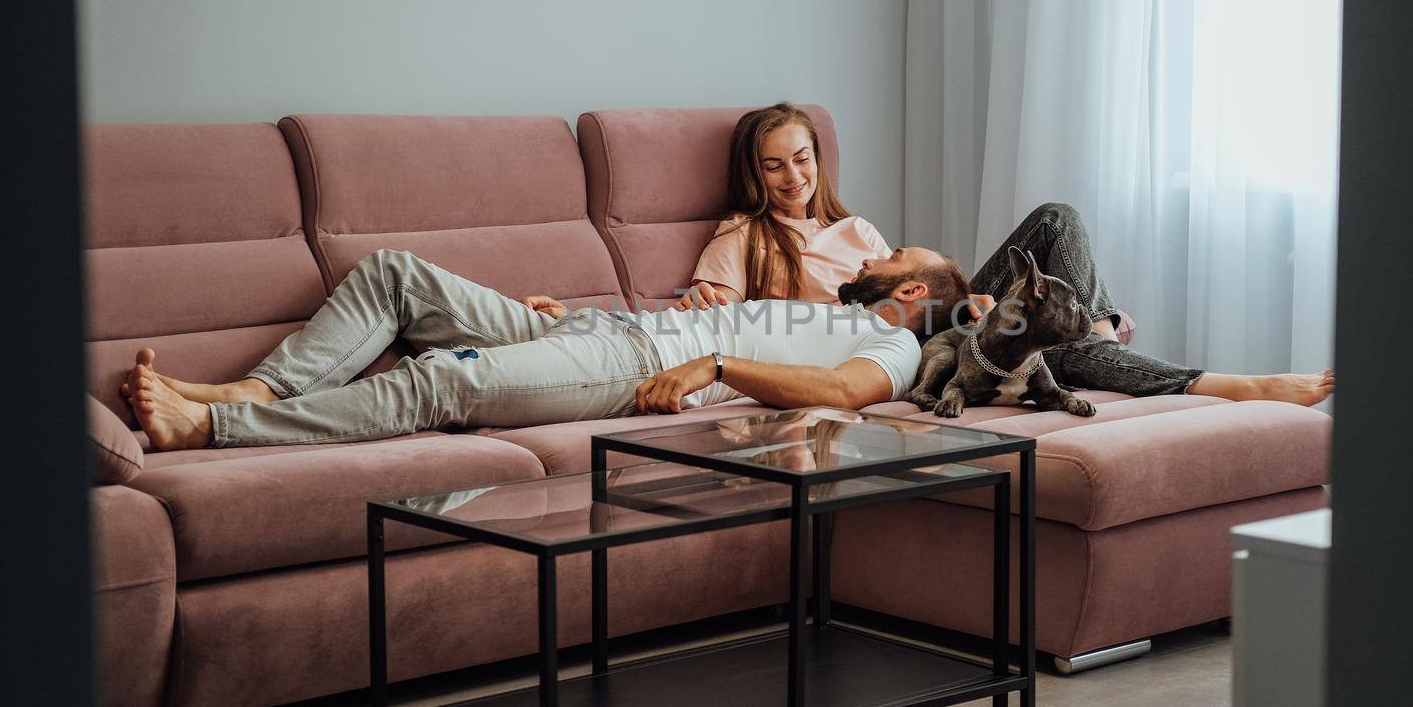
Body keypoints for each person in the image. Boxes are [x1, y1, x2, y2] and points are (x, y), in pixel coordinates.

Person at [676, 102, 1333, 407]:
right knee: (1042, 341)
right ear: (753, 174)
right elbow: (722, 316)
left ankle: (1092, 322)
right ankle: (1233, 383)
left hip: (932, 314)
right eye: (774, 167)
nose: (794, 177)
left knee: (1055, 220)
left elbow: (919, 289)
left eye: (803, 158)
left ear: (819, 158)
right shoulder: (742, 237)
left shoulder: (856, 232)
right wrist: (703, 297)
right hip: (881, 346)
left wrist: (969, 303)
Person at [122, 246, 969, 452]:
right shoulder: (814, 303)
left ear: (912, 293)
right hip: (603, 327)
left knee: (437, 381)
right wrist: (578, 314)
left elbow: (841, 391)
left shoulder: (891, 349)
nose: (872, 256)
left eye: (895, 259)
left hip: (628, 366)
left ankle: (215, 431)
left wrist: (715, 367)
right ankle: (261, 390)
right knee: (394, 275)